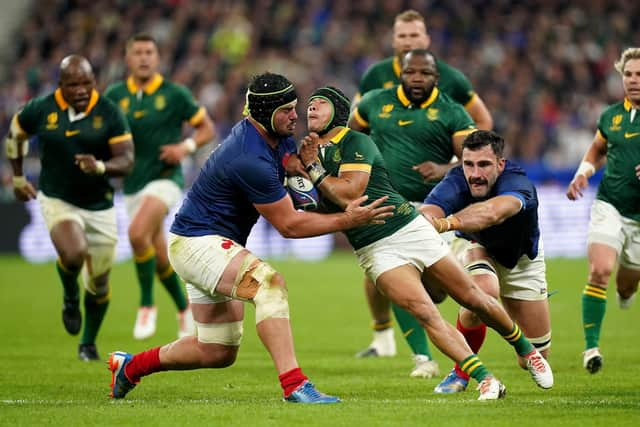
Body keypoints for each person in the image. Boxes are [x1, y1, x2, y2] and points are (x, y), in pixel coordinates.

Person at [107, 72, 394, 404]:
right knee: (270, 286)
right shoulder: (248, 157)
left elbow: (290, 167)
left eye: (294, 108)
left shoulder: (277, 136)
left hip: (201, 242)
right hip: (198, 242)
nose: (295, 116)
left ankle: (129, 367)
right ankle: (295, 385)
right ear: (265, 113)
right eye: (287, 110)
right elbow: (289, 225)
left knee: (216, 351)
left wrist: (307, 167)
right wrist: (347, 219)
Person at [300, 85, 553, 399]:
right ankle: (485, 379)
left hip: (407, 226)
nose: (311, 108)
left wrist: (312, 169)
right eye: (308, 105)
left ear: (338, 111)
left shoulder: (356, 141)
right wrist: (302, 197)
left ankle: (527, 351)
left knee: (473, 297)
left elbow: (351, 195)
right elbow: (327, 207)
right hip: (373, 248)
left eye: (319, 103)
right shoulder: (307, 156)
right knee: (424, 312)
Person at [352, 10, 493, 376]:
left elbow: (483, 126)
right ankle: (415, 353)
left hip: (437, 203)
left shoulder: (451, 84)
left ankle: (500, 341)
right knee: (389, 273)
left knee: (443, 288)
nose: (410, 42)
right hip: (390, 200)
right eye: (403, 36)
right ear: (394, 41)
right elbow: (354, 129)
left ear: (427, 40)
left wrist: (454, 162)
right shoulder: (374, 81)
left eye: (416, 36)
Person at [4, 55, 134, 361]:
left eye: (86, 83)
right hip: (57, 197)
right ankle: (70, 296)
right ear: (60, 85)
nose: (81, 90)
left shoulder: (109, 112)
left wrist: (100, 166)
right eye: (73, 84)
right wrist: (19, 177)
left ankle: (88, 343)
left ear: (94, 82)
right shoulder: (41, 108)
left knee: (100, 282)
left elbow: (126, 160)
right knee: (74, 252)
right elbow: (15, 135)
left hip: (99, 205)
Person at [420, 130, 552, 393]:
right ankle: (462, 372)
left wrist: (447, 223)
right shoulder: (456, 180)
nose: (475, 173)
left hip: (522, 260)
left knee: (535, 357)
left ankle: (523, 342)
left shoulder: (517, 183)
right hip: (476, 246)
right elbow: (428, 211)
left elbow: (491, 213)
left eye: (484, 164)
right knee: (483, 291)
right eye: (468, 164)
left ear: (500, 164)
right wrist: (424, 221)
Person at [105, 33, 215, 341]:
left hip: (166, 179)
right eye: (137, 52)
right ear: (127, 58)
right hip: (131, 184)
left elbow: (206, 127)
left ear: (157, 58)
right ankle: (184, 310)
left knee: (136, 233)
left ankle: (146, 305)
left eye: (149, 52)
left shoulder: (174, 94)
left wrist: (186, 147)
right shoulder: (114, 95)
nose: (143, 57)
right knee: (156, 253)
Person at [566, 47, 640, 374]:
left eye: (639, 75)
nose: (633, 80)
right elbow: (598, 148)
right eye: (629, 74)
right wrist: (583, 173)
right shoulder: (611, 116)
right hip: (610, 203)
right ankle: (591, 348)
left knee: (626, 284)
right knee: (599, 271)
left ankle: (627, 292)